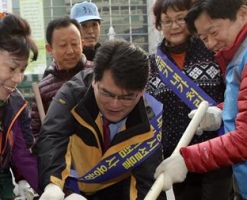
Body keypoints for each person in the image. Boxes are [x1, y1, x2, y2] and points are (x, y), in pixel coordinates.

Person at [153, 0, 247, 199]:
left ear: (242, 14)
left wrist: (187, 160)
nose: (211, 44)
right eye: (204, 38)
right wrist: (221, 112)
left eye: (213, 33)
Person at [34, 39, 166, 200]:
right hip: (71, 187)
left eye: (126, 97)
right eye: (107, 93)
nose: (115, 105)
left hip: (117, 189)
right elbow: (53, 136)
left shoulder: (149, 121)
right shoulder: (73, 94)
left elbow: (147, 183)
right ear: (94, 81)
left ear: (142, 92)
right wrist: (53, 186)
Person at [146, 0, 232, 199]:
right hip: (176, 157)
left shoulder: (213, 52)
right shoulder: (152, 65)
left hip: (215, 153)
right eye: (166, 21)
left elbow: (236, 96)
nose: (174, 26)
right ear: (159, 25)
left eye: (180, 19)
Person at [31, 16, 93, 139]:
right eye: (63, 45)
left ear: (82, 43)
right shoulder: (42, 90)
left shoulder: (99, 75)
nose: (70, 51)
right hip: (59, 155)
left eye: (75, 44)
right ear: (50, 49)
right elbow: (35, 133)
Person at [0, 12, 39, 199]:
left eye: (22, 70)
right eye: (12, 68)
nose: (17, 79)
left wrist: (56, 189)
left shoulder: (16, 104)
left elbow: (23, 154)